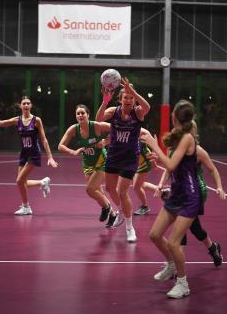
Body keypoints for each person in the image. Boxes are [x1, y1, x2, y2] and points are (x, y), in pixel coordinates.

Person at [141, 99, 200, 299]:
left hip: (190, 197)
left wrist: (152, 143)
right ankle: (172, 264)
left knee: (174, 243)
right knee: (155, 235)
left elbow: (172, 165)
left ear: (174, 117)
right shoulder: (179, 137)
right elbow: (170, 164)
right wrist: (156, 157)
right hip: (177, 194)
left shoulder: (187, 138)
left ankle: (183, 284)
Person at [96, 77, 150, 242]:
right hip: (113, 155)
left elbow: (147, 106)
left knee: (122, 191)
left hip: (130, 157)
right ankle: (119, 210)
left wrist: (133, 91)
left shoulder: (138, 112)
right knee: (110, 189)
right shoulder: (113, 111)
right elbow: (98, 120)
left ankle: (129, 227)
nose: (128, 99)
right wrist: (105, 102)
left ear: (134, 99)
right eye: (125, 97)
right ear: (120, 99)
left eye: (131, 97)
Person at [0, 94, 58, 215]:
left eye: (28, 103)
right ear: (20, 106)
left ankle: (26, 207)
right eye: (24, 103)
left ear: (31, 105)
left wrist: (50, 157)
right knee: (22, 182)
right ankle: (42, 183)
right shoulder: (17, 120)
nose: (26, 105)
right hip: (24, 153)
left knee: (19, 181)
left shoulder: (36, 120)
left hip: (34, 153)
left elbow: (44, 139)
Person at [58, 104, 117, 226]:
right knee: (97, 192)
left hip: (101, 159)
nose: (80, 115)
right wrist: (73, 151)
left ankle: (106, 207)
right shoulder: (74, 129)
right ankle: (112, 214)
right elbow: (60, 146)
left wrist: (105, 142)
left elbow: (116, 129)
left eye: (82, 113)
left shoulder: (95, 126)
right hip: (87, 162)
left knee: (90, 190)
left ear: (88, 115)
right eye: (78, 113)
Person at [133, 133, 157, 215]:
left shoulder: (140, 143)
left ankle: (145, 206)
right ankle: (164, 192)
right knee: (141, 184)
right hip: (139, 164)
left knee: (136, 187)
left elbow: (148, 153)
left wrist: (154, 164)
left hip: (144, 165)